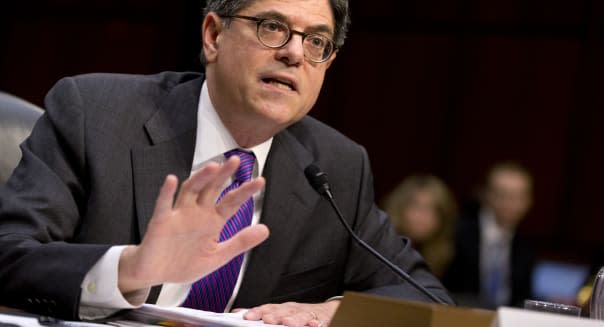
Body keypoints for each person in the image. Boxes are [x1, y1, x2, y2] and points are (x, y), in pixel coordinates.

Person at [0, 0, 454, 325]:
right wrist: (132, 269)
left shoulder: (337, 166)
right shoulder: (95, 114)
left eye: (317, 41)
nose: (295, 53)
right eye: (273, 27)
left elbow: (427, 298)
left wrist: (327, 312)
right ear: (214, 35)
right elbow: (10, 254)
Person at [443, 161, 535, 308]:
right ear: (486, 194)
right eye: (502, 194)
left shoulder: (526, 248)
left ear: (528, 201)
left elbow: (522, 298)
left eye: (517, 196)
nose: (509, 203)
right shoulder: (456, 232)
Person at [382, 174, 457, 278]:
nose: (422, 217)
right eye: (416, 206)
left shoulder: (450, 257)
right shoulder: (380, 246)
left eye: (432, 210)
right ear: (399, 208)